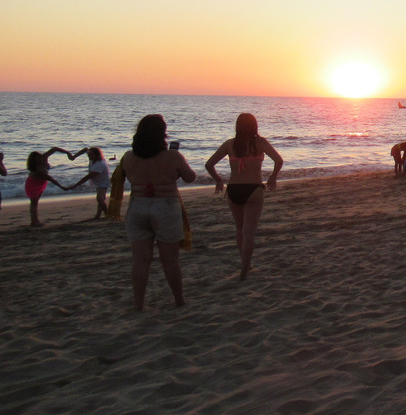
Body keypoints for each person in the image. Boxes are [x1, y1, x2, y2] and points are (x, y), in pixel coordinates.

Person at [117, 115, 197, 310]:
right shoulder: (172, 156)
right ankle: (179, 300)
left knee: (140, 261)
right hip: (166, 206)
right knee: (169, 260)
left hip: (138, 206)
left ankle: (138, 304)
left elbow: (121, 177)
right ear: (162, 134)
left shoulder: (128, 157)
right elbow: (190, 177)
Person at [205, 113, 284, 280]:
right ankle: (245, 269)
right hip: (254, 189)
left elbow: (209, 164)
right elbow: (278, 160)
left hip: (234, 189)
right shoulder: (260, 143)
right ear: (254, 126)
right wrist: (272, 177)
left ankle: (244, 264)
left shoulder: (230, 144)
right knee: (249, 232)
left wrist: (218, 180)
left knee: (239, 228)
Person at [24, 147, 74, 227]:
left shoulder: (44, 158)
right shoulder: (37, 169)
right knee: (34, 203)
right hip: (32, 184)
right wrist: (61, 187)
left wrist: (67, 153)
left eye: (39, 157)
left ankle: (35, 221)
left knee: (35, 202)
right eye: (37, 159)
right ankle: (34, 222)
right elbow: (50, 178)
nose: (40, 159)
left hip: (41, 183)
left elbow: (54, 149)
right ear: (34, 161)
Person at [68, 147, 111, 219]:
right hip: (97, 180)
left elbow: (87, 177)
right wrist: (74, 156)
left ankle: (108, 214)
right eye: (89, 154)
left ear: (97, 155)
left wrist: (75, 185)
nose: (89, 156)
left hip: (103, 181)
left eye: (91, 155)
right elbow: (85, 149)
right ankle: (98, 215)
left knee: (100, 198)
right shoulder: (92, 159)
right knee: (101, 199)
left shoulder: (100, 164)